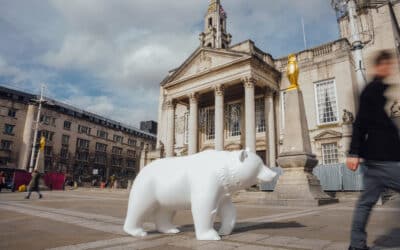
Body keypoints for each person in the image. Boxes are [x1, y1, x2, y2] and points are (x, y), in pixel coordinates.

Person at [347, 50, 400, 250]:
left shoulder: (378, 90)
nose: (390, 69)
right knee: (365, 203)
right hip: (382, 158)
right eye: (387, 65)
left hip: (377, 159)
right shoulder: (372, 90)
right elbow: (360, 123)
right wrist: (353, 152)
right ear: (380, 66)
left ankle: (356, 245)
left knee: (365, 203)